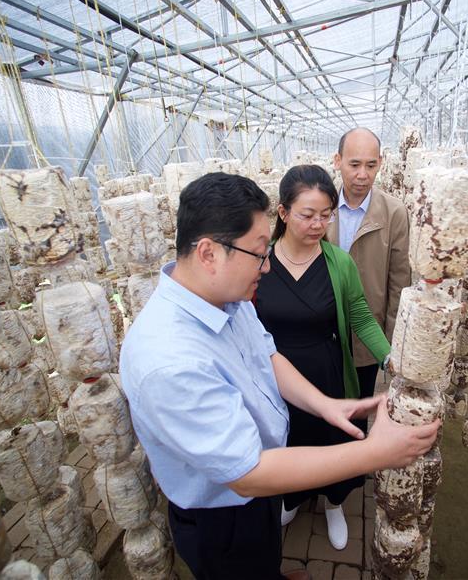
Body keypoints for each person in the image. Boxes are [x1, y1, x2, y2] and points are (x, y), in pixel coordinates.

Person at [120, 172, 440, 580]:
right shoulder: (170, 361)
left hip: (258, 493)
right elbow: (248, 474)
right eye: (258, 253)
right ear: (208, 253)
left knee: (265, 555)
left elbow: (267, 354)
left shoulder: (227, 300)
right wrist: (377, 453)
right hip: (223, 512)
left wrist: (326, 405)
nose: (267, 264)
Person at [254, 165, 391, 550]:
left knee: (331, 441)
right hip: (276, 377)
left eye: (326, 215)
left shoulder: (339, 263)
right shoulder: (261, 262)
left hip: (328, 372)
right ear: (283, 213)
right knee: (289, 442)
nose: (318, 224)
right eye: (308, 215)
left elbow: (361, 315)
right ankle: (293, 497)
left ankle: (334, 504)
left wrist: (389, 359)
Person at [327, 127, 411, 401]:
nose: (362, 174)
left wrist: (391, 342)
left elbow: (399, 283)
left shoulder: (394, 212)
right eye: (354, 165)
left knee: (360, 404)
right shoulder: (322, 207)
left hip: (367, 333)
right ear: (337, 161)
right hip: (324, 329)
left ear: (380, 164)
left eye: (371, 165)